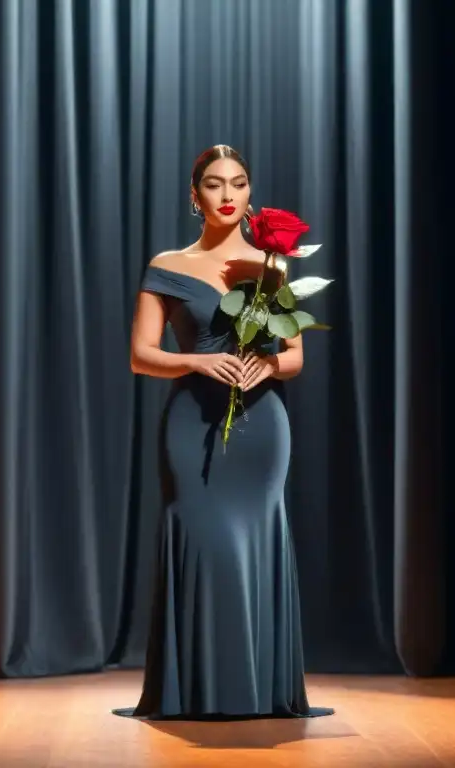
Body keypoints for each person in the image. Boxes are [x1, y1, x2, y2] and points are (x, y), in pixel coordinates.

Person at [112, 145, 333, 721]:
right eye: (213, 184)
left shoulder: (272, 265)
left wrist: (266, 364)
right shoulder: (167, 264)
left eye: (237, 183)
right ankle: (199, 690)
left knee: (255, 542)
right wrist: (197, 363)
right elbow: (140, 356)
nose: (227, 194)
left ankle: (255, 690)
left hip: (262, 428)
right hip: (193, 424)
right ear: (195, 196)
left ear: (249, 194)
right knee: (201, 540)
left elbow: (295, 357)